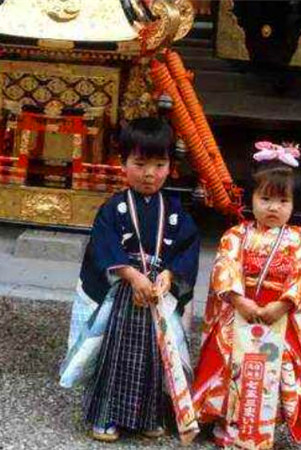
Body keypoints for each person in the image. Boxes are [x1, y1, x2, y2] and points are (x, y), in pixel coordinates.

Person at [77, 118, 200, 442]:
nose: (149, 173)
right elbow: (102, 245)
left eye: (159, 164)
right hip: (126, 294)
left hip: (157, 295)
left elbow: (187, 248)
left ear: (170, 166)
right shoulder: (114, 208)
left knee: (154, 360)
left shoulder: (175, 210)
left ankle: (148, 415)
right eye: (140, 164)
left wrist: (168, 276)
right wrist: (131, 275)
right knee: (117, 356)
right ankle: (106, 416)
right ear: (123, 164)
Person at [192, 142, 301, 448]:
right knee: (226, 357)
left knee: (279, 365)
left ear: (293, 204)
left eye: (282, 200)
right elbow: (225, 267)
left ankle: (264, 425)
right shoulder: (236, 235)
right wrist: (239, 300)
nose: (273, 207)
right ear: (251, 198)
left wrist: (282, 304)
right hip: (241, 309)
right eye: (265, 198)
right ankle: (227, 422)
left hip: (280, 313)